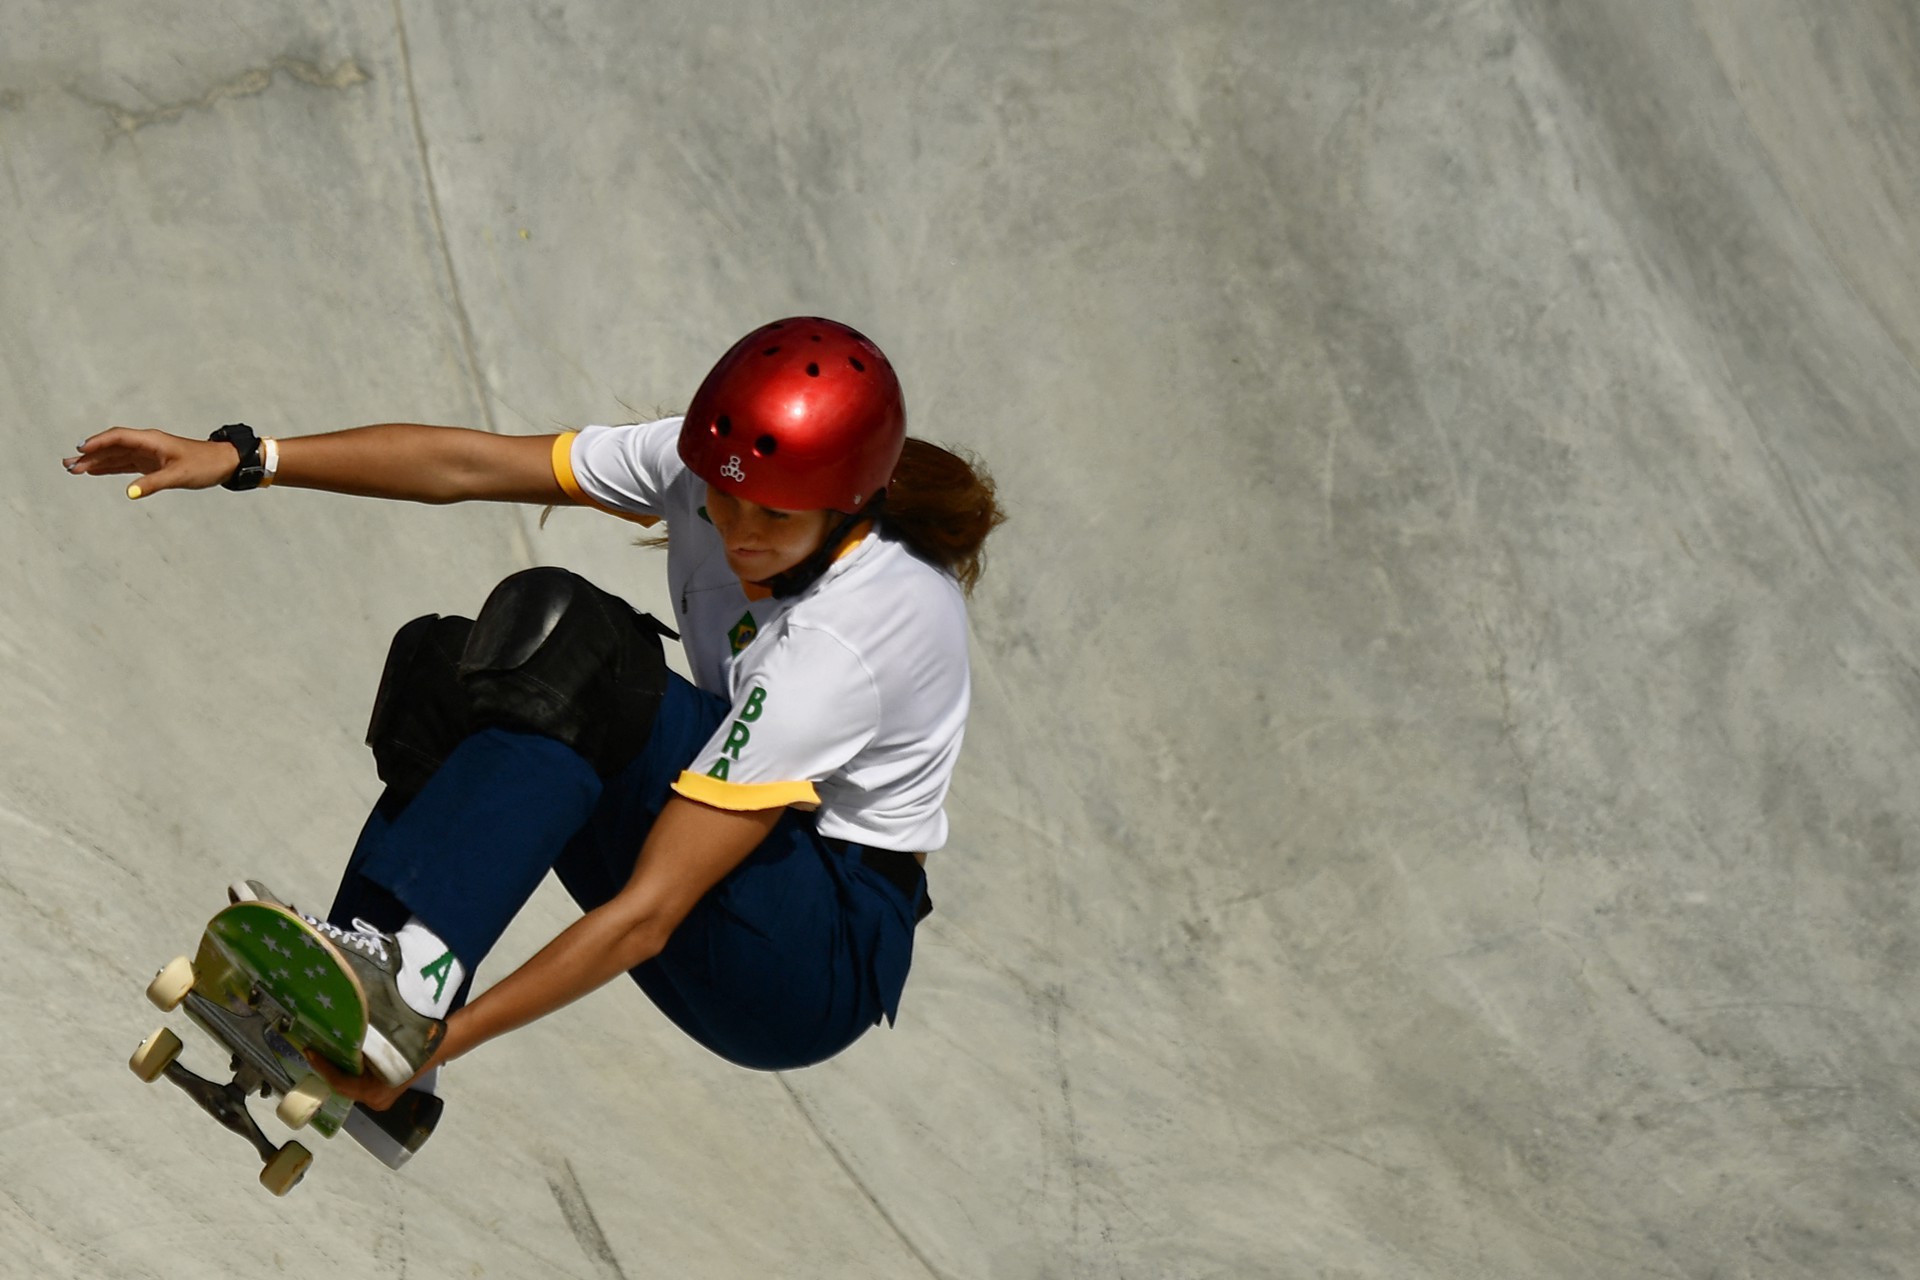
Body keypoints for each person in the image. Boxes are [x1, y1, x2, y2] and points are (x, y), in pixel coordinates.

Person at [65, 316, 1003, 1131]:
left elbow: (647, 917)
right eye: (720, 503)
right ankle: (353, 983)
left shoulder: (856, 634)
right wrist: (246, 457)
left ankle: (412, 1019)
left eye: (772, 516)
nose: (736, 532)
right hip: (755, 889)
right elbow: (473, 463)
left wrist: (449, 1043)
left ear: (848, 507)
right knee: (452, 666)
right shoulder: (701, 469)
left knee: (582, 647)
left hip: (808, 957)